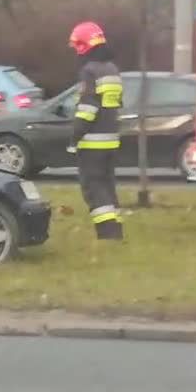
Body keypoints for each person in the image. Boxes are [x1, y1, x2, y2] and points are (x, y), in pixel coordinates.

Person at [68, 21, 124, 241]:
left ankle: (107, 234)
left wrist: (75, 136)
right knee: (107, 186)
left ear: (83, 46)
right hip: (111, 140)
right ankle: (116, 230)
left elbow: (87, 109)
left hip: (92, 141)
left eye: (76, 45)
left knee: (93, 187)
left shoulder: (89, 71)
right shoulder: (112, 69)